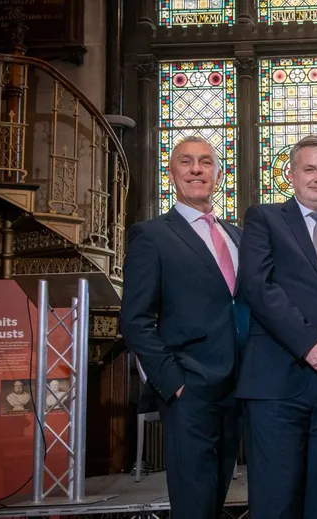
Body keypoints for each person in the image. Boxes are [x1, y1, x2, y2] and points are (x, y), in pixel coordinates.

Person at [237, 135, 317, 519]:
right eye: (309, 169)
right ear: (292, 175)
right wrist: (309, 344)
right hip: (277, 381)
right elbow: (258, 288)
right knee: (276, 500)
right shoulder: (264, 219)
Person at [120, 136, 242, 519]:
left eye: (206, 162)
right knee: (193, 501)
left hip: (240, 384)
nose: (196, 169)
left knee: (220, 489)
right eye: (186, 162)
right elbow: (136, 319)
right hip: (189, 385)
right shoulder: (152, 235)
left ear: (218, 174)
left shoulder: (237, 235)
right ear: (171, 173)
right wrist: (173, 382)